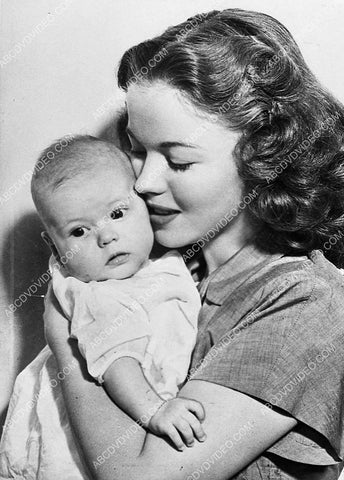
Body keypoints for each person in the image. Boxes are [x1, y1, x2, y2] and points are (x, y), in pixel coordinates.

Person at [43, 8, 344, 480]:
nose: (143, 181)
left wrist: (68, 334)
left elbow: (138, 477)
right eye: (137, 149)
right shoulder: (173, 266)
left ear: (262, 158)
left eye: (177, 161)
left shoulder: (310, 309)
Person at [0, 136, 204, 479]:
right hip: (82, 445)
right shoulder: (97, 295)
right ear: (54, 245)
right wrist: (155, 411)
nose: (105, 237)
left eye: (117, 213)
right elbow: (117, 362)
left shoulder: (148, 267)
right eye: (79, 231)